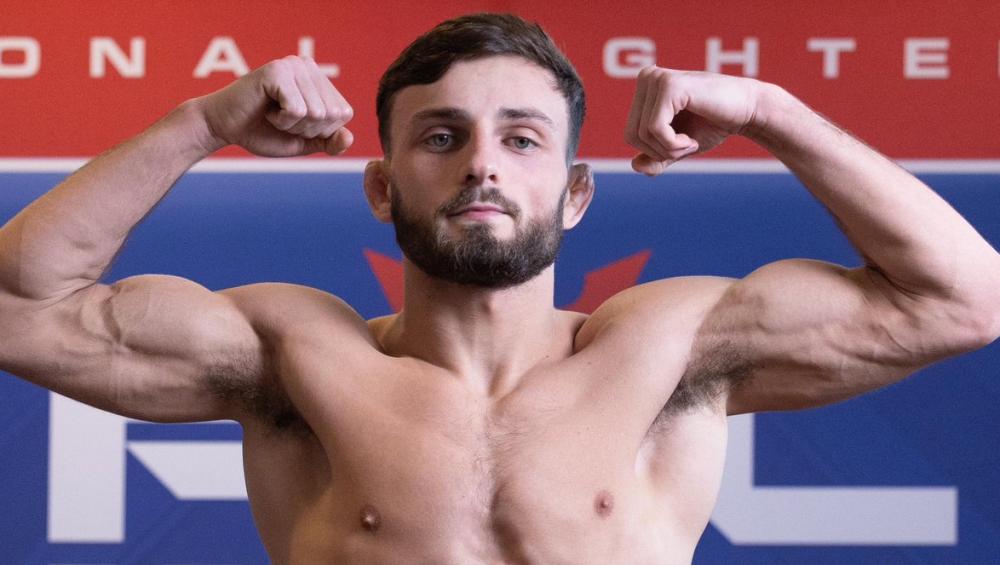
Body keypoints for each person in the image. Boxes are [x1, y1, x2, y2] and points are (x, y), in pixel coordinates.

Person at [1, 12, 998, 564]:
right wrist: (202, 122)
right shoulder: (295, 357)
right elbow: (16, 309)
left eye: (521, 139)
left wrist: (772, 110)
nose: (481, 163)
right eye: (442, 137)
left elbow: (965, 300)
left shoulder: (667, 350)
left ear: (574, 193)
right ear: (382, 186)